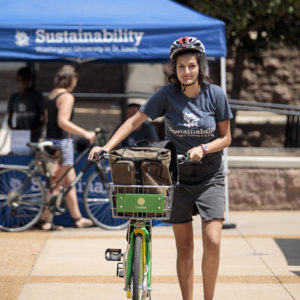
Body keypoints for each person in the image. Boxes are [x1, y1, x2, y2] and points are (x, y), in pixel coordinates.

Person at [88, 36, 232, 300]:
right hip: (175, 177)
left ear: (200, 66)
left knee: (212, 242)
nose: (186, 71)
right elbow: (134, 122)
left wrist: (204, 148)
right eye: (181, 67)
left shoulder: (215, 95)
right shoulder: (166, 95)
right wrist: (106, 146)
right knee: (185, 246)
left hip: (210, 176)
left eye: (191, 65)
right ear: (174, 70)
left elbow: (226, 138)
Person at [39, 65, 96, 230]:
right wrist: (85, 133)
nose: (76, 83)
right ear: (71, 79)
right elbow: (62, 122)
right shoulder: (66, 96)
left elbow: (47, 120)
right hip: (62, 144)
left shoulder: (52, 94)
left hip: (51, 142)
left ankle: (77, 218)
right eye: (75, 79)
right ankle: (45, 220)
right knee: (57, 182)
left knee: (69, 181)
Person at [7, 66, 46, 142]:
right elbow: (9, 120)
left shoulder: (37, 96)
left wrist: (32, 132)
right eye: (24, 79)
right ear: (18, 80)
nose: (26, 82)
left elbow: (45, 120)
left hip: (35, 139)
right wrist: (15, 131)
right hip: (19, 139)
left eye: (28, 79)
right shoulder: (14, 98)